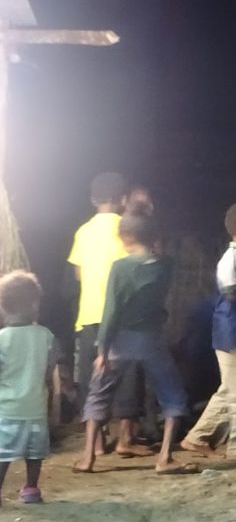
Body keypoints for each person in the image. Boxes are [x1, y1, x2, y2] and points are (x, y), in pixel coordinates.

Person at [73, 213, 198, 475]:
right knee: (172, 395)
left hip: (120, 340)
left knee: (98, 394)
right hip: (152, 339)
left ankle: (88, 458)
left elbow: (111, 310)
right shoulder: (166, 265)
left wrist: (102, 349)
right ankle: (165, 458)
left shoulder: (120, 267)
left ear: (125, 237)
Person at [181, 202, 236, 459]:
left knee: (231, 389)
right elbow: (231, 294)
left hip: (235, 330)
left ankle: (197, 437)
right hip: (233, 331)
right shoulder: (232, 258)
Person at [67, 173, 142, 455]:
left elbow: (78, 273)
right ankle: (125, 438)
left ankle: (96, 442)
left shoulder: (82, 231)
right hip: (123, 314)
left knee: (91, 377)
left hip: (89, 314)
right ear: (123, 199)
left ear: (93, 198)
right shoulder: (126, 229)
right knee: (127, 372)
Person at [0, 272, 59, 505]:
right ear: (35, 305)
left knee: (2, 453)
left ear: (4, 307)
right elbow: (50, 370)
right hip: (36, 406)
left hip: (7, 409)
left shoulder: (2, 339)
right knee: (35, 453)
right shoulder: (45, 336)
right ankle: (31, 489)